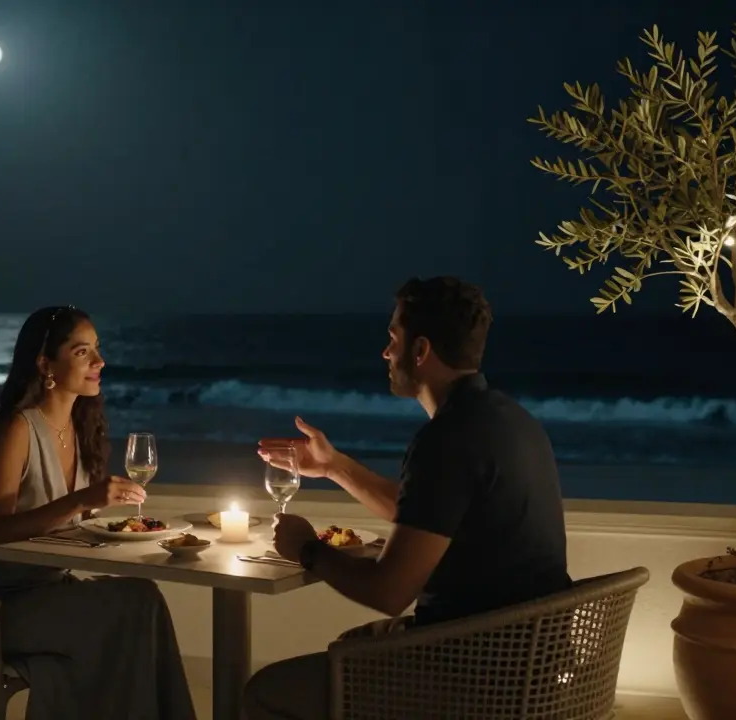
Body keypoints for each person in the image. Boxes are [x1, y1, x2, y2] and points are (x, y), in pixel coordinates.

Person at [244, 277, 573, 719]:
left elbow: (390, 591)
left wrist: (306, 548)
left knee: (265, 691)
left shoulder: (446, 439)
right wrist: (334, 467)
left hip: (473, 676)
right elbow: (428, 516)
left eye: (392, 339)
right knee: (353, 645)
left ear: (420, 351)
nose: (385, 352)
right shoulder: (513, 421)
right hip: (534, 661)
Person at [0, 305, 197, 720]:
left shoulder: (81, 430)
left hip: (50, 592)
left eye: (97, 350)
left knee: (141, 596)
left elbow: (76, 529)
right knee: (132, 606)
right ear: (45, 363)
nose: (100, 362)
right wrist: (82, 501)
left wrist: (119, 526)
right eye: (83, 352)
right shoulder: (17, 429)